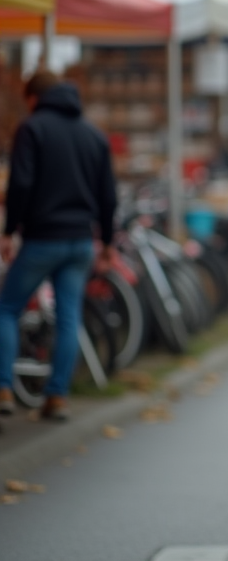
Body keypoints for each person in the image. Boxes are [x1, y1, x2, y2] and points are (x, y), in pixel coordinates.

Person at [0, 70, 117, 421]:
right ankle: (58, 396)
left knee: (7, 308)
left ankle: (4, 388)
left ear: (33, 98)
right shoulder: (93, 135)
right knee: (69, 319)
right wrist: (108, 242)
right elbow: (108, 196)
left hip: (42, 239)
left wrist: (9, 231)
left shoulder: (32, 128)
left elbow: (20, 184)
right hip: (81, 241)